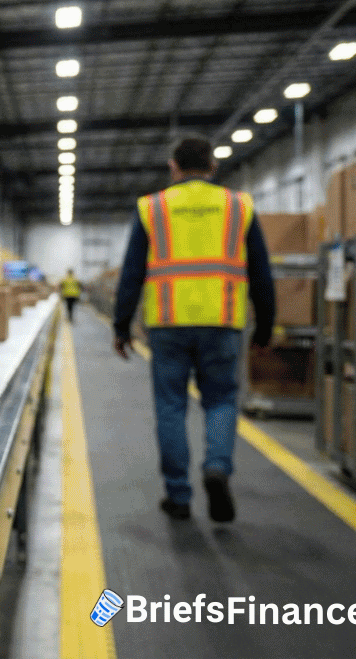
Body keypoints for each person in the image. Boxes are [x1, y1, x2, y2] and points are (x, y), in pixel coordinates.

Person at [112, 137, 274, 523]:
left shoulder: (153, 208)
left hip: (168, 324)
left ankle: (179, 496)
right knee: (220, 400)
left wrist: (121, 327)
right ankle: (216, 467)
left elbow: (132, 274)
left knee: (171, 407)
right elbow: (262, 274)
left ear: (174, 167)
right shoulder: (239, 206)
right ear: (213, 167)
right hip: (223, 321)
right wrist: (265, 327)